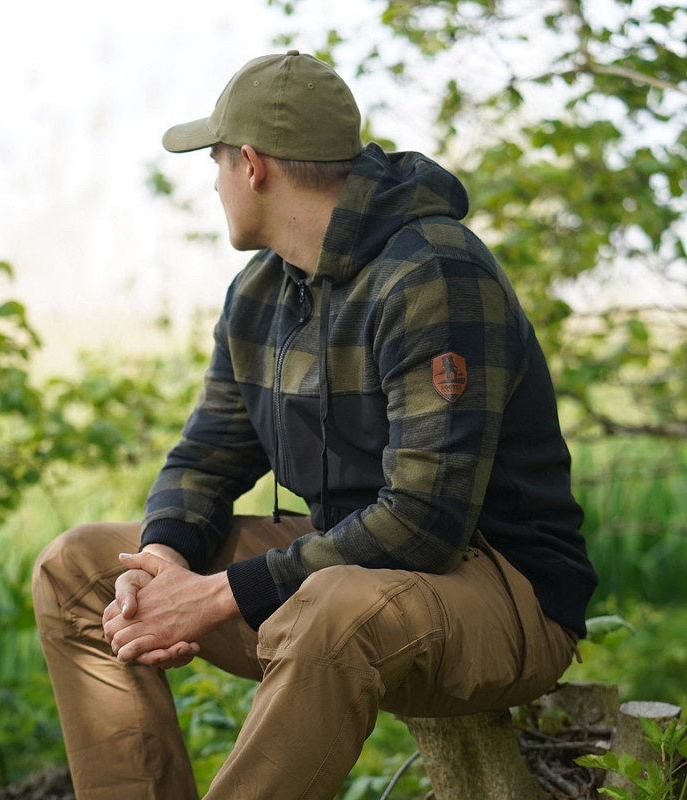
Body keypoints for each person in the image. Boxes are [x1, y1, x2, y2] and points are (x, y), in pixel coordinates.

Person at [32, 51, 598, 800]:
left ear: (252, 165)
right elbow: (205, 458)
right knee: (80, 568)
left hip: (501, 590)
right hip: (346, 570)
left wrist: (214, 596)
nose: (213, 183)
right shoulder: (261, 292)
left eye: (215, 162)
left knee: (331, 608)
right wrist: (164, 562)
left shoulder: (434, 273)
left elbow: (424, 523)